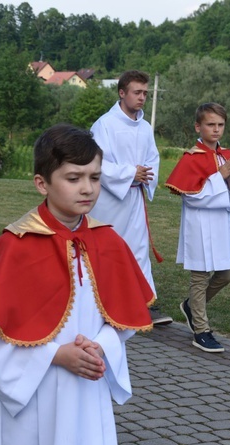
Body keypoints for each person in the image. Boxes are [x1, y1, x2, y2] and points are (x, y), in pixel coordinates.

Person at [0, 124, 153, 445]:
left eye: (94, 177)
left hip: (83, 387)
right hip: (30, 388)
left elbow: (123, 317)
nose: (87, 188)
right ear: (42, 183)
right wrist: (56, 355)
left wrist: (102, 346)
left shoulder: (108, 241)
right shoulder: (16, 245)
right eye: (73, 177)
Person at [165, 103, 230, 353]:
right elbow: (191, 196)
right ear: (198, 126)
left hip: (222, 223)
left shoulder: (228, 155)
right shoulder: (192, 157)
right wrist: (219, 178)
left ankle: (192, 307)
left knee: (227, 274)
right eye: (210, 124)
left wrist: (228, 180)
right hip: (200, 225)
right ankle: (201, 330)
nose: (216, 130)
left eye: (220, 125)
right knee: (200, 277)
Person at [90, 70, 172, 326]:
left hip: (135, 198)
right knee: (108, 251)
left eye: (145, 93)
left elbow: (152, 159)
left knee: (138, 251)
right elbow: (97, 162)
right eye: (137, 92)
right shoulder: (104, 125)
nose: (142, 98)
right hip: (110, 201)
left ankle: (145, 305)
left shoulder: (145, 128)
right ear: (122, 93)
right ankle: (102, 305)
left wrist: (144, 176)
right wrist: (129, 173)